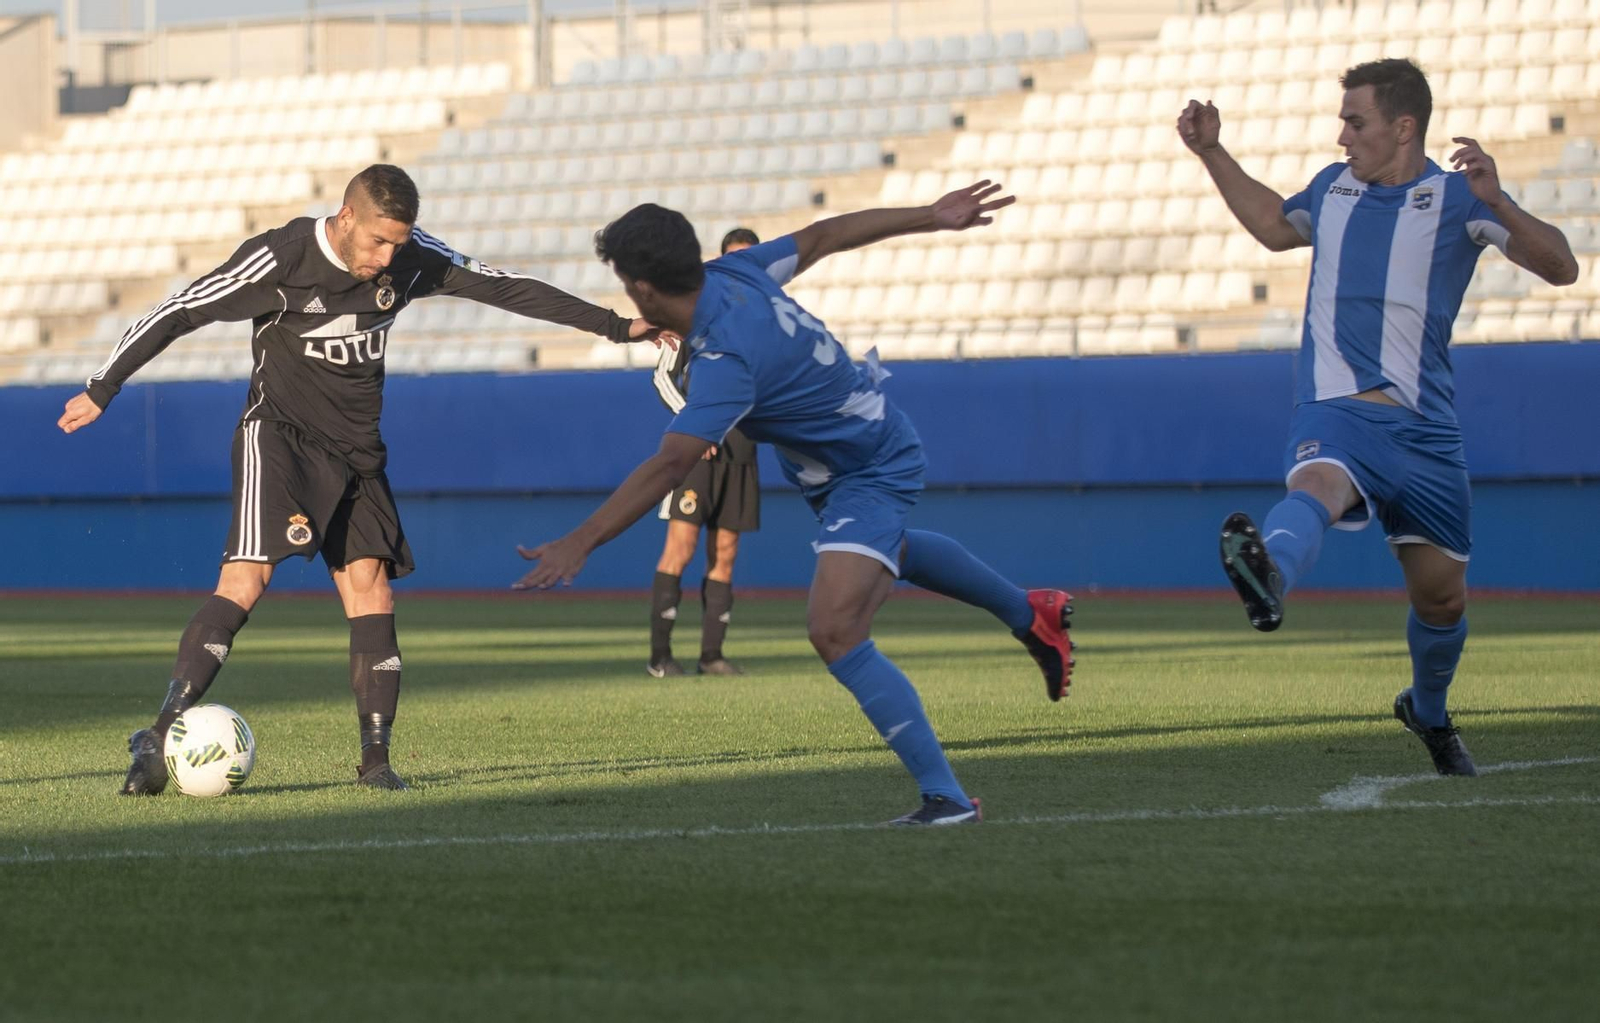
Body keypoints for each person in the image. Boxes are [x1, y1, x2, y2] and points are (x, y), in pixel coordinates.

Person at [57, 164, 663, 795]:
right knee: (246, 579)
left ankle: (375, 763)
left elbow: (501, 286)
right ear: (346, 218)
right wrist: (105, 387)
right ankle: (159, 738)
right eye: (379, 241)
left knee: (372, 591)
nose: (389, 255)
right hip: (281, 436)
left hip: (357, 454)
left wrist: (618, 327)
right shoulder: (280, 257)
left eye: (400, 242)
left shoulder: (410, 258)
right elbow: (180, 309)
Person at [513, 182, 1077, 826]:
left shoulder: (727, 358)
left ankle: (945, 797)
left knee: (834, 630)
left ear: (641, 288)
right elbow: (823, 236)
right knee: (892, 553)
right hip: (840, 462)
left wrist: (578, 542)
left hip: (870, 467)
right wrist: (929, 216)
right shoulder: (737, 270)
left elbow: (670, 462)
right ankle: (1031, 612)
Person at [1178, 59, 1577, 776]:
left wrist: (1504, 202)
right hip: (1337, 413)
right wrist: (1211, 151)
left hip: (1427, 432)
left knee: (1443, 598)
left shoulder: (1459, 199)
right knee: (1318, 489)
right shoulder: (1333, 190)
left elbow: (1562, 268)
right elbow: (1273, 226)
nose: (1341, 136)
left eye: (1354, 121)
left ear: (1403, 127)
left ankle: (1427, 709)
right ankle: (1269, 576)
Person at [647, 227, 764, 678]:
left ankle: (711, 655)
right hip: (698, 453)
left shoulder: (767, 320)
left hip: (742, 452)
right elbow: (662, 379)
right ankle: (660, 657)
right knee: (681, 545)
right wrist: (698, 428)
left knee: (727, 551)